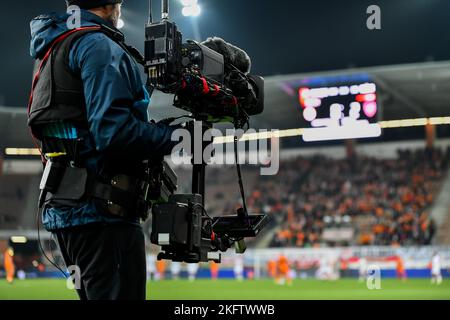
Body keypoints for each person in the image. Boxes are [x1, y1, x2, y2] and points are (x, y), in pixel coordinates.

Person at [28, 0, 179, 300]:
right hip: (102, 213)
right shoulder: (97, 45)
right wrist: (176, 136)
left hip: (68, 210)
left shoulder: (56, 44)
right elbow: (114, 133)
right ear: (112, 5)